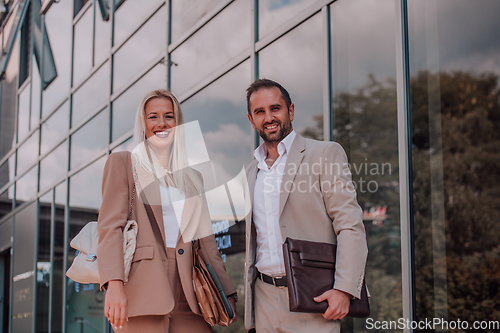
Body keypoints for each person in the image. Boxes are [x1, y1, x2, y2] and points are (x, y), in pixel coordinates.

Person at [97, 89, 237, 332]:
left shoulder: (194, 178)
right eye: (153, 117)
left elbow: (206, 243)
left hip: (191, 293)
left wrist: (227, 291)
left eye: (169, 117)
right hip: (142, 289)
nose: (161, 123)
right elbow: (110, 228)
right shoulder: (124, 163)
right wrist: (114, 284)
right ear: (143, 123)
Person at [243, 79, 368, 332]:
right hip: (263, 301)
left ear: (290, 111)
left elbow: (350, 225)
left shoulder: (324, 154)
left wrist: (344, 288)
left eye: (275, 108)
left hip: (315, 299)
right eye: (260, 112)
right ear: (251, 119)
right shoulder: (249, 171)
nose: (269, 117)